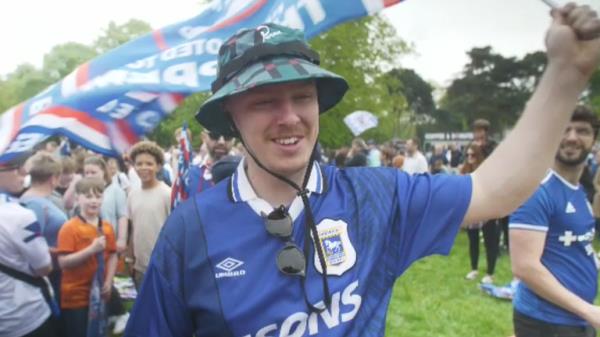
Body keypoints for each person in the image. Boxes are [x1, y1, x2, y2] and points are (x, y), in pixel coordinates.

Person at [125, 6, 600, 337]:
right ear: (231, 117)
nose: (289, 116)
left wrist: (566, 75)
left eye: (303, 97)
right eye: (264, 101)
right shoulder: (191, 229)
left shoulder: (376, 196)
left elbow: (495, 192)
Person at [510, 106, 600, 336]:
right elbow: (524, 267)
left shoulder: (579, 191)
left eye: (582, 131)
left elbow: (574, 245)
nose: (571, 137)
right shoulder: (536, 190)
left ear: (594, 140)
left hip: (577, 318)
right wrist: (589, 311)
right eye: (564, 129)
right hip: (547, 322)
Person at [0, 154, 58, 337]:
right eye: (14, 166)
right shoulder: (19, 215)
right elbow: (43, 267)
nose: (24, 172)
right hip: (25, 315)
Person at [20, 153, 68, 302]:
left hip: (54, 270)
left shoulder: (39, 200)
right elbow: (30, 244)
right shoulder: (35, 204)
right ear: (53, 178)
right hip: (48, 274)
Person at [126, 141, 171, 288]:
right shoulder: (132, 194)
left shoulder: (167, 194)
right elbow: (133, 228)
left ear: (158, 166)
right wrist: (130, 258)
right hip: (140, 267)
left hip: (163, 266)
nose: (144, 168)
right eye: (139, 164)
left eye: (149, 164)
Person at [460, 144, 499, 284]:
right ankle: (474, 268)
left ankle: (490, 272)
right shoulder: (464, 170)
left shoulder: (486, 171)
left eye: (473, 155)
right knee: (473, 241)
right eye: (467, 155)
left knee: (490, 242)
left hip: (487, 210)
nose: (470, 158)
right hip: (471, 209)